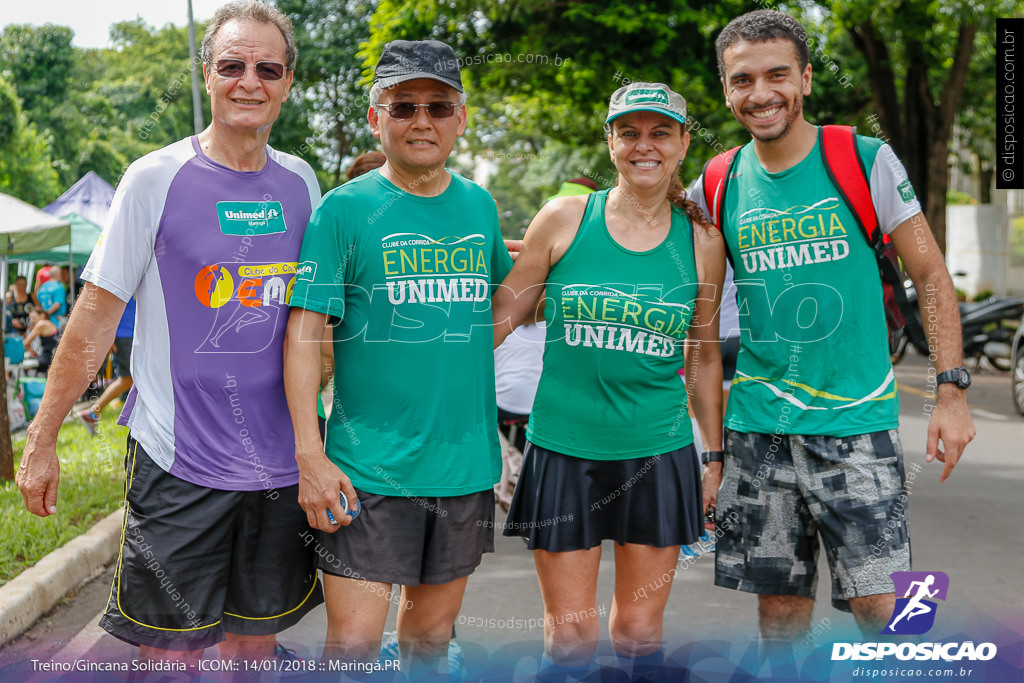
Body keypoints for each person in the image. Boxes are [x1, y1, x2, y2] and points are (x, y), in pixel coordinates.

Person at [16, 0, 324, 666]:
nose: (250, 82)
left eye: (268, 68)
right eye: (232, 65)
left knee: (253, 651)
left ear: (288, 81)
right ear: (208, 74)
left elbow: (313, 322)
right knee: (169, 658)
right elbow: (95, 315)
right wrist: (42, 438)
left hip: (277, 468)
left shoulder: (302, 183)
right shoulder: (153, 177)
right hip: (178, 463)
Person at [692, 8, 976, 656]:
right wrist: (712, 456)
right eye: (742, 80)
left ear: (807, 78)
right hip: (759, 431)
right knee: (780, 616)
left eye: (776, 74)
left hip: (856, 424)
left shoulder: (863, 158)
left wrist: (953, 391)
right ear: (727, 90)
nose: (760, 93)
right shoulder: (716, 181)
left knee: (890, 609)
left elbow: (931, 274)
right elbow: (701, 338)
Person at [284, 39, 512, 674]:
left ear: (461, 118)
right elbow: (303, 334)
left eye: (438, 107)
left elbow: (497, 305)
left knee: (429, 645)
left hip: (464, 467)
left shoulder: (478, 205)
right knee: (352, 651)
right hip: (368, 470)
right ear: (374, 118)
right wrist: (311, 455)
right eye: (403, 105)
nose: (421, 120)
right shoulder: (344, 210)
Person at [492, 81, 725, 677]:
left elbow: (702, 354)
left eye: (659, 133)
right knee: (570, 637)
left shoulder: (702, 242)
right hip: (564, 450)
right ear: (611, 142)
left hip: (658, 451)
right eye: (630, 133)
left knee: (639, 632)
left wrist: (715, 457)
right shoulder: (565, 217)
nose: (643, 145)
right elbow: (496, 322)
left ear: (682, 144)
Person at [78, 297, 136, 437]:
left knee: (134, 380)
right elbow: (103, 309)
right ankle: (92, 412)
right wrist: (109, 337)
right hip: (125, 336)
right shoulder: (120, 280)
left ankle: (93, 412)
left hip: (133, 334)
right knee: (127, 380)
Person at [23, 308, 58, 375]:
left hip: (47, 359)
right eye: (30, 318)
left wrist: (34, 354)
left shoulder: (41, 324)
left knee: (21, 363)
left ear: (42, 315)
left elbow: (25, 343)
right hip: (54, 359)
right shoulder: (51, 324)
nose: (32, 320)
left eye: (34, 317)